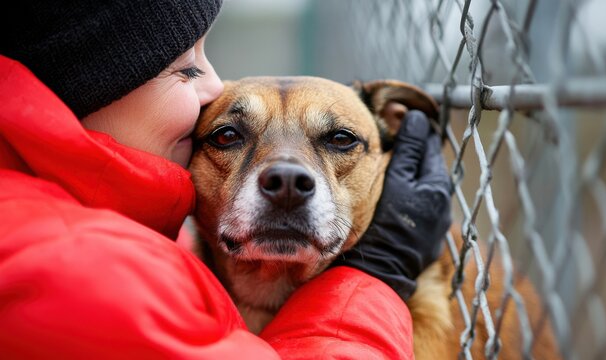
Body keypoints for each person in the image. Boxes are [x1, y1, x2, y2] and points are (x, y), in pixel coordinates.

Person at [0, 0, 451, 358]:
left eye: (338, 140)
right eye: (228, 135)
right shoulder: (74, 267)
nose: (214, 88)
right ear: (91, 86)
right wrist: (375, 276)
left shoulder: (129, 230)